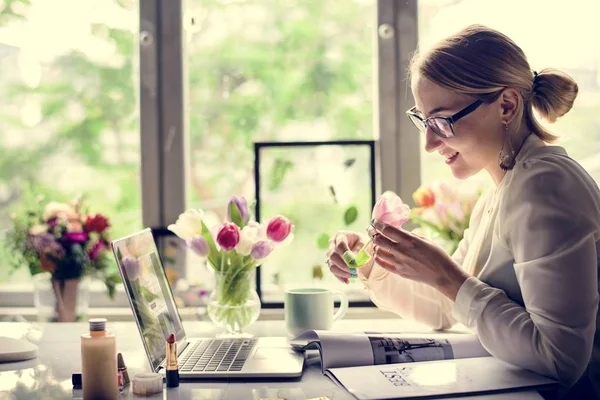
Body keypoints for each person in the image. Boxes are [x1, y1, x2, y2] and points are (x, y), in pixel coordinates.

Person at [326, 24, 599, 399]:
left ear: (506, 105)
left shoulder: (545, 187)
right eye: (423, 120)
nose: (429, 143)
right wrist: (373, 263)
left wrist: (445, 276)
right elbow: (448, 307)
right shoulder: (499, 194)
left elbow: (562, 361)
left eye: (442, 120)